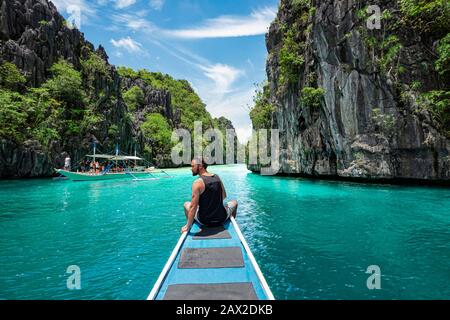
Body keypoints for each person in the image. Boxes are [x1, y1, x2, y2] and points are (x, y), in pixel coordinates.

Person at [181, 157, 238, 233]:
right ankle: (230, 224)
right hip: (221, 218)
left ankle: (189, 225)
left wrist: (187, 226)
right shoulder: (217, 177)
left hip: (204, 221)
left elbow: (193, 207)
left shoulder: (197, 183)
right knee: (235, 203)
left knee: (186, 204)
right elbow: (224, 196)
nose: (191, 168)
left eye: (193, 166)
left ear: (200, 166)